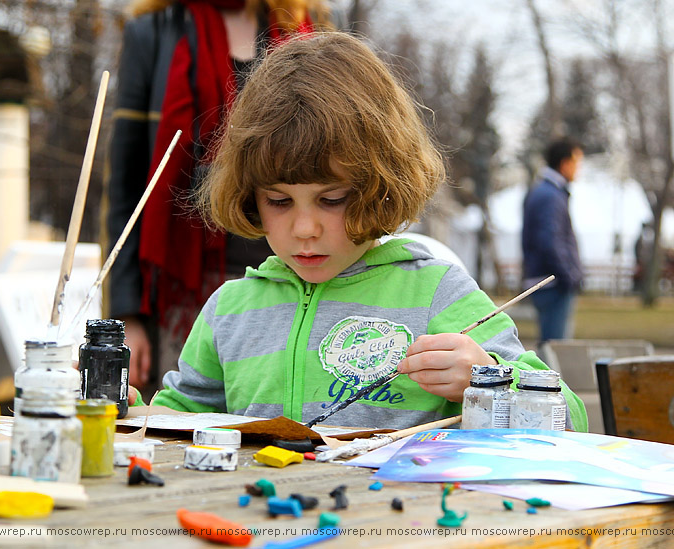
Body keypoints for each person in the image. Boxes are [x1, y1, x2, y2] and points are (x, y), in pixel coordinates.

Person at [149, 32, 587, 431]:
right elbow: (178, 421)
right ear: (249, 193)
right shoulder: (229, 310)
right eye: (279, 201)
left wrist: (488, 378)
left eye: (332, 199)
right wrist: (128, 415)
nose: (304, 228)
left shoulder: (438, 294)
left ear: (381, 185)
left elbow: (572, 421)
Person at [104, 0, 337, 402]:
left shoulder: (308, 25)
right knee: (184, 427)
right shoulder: (153, 31)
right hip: (183, 283)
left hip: (295, 271)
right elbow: (127, 183)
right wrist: (126, 316)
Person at [521, 138, 584, 346]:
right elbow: (550, 241)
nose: (578, 170)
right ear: (565, 163)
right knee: (555, 350)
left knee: (551, 347)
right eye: (577, 163)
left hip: (547, 280)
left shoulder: (545, 191)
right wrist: (569, 276)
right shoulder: (550, 195)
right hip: (552, 283)